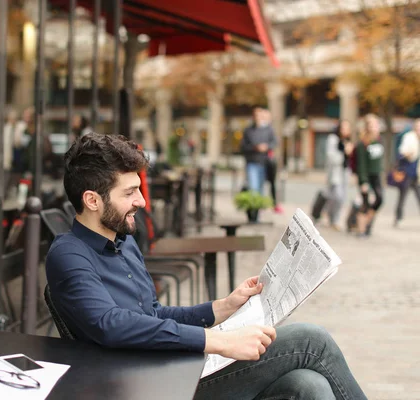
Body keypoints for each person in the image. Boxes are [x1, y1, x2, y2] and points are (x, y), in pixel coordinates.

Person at [46, 132, 367, 400]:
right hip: (138, 385)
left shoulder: (124, 241)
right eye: (130, 192)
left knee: (309, 387)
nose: (142, 201)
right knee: (312, 339)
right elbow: (110, 324)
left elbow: (153, 315)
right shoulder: (68, 254)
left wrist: (222, 308)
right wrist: (218, 341)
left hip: (168, 367)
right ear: (92, 200)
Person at [354, 114, 385, 236]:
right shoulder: (362, 143)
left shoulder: (379, 140)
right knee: (365, 203)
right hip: (366, 176)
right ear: (367, 127)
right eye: (371, 125)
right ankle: (361, 230)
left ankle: (367, 223)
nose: (374, 127)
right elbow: (361, 164)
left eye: (376, 124)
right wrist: (363, 181)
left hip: (376, 176)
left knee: (380, 199)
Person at [325, 120, 355, 231]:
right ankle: (331, 216)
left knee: (342, 197)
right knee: (336, 196)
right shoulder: (333, 139)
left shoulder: (348, 141)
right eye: (343, 128)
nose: (346, 130)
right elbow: (331, 157)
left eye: (348, 128)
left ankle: (335, 220)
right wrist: (344, 153)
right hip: (335, 173)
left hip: (344, 172)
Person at [241, 107, 276, 195]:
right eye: (256, 115)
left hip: (264, 162)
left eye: (260, 115)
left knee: (260, 188)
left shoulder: (268, 130)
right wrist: (255, 148)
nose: (258, 117)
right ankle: (253, 207)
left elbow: (274, 142)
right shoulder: (248, 130)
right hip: (252, 162)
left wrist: (266, 147)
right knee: (253, 187)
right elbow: (243, 146)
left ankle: (257, 207)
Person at [394, 118, 420, 227]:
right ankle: (398, 218)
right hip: (407, 172)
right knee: (402, 197)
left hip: (417, 174)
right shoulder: (409, 137)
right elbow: (402, 152)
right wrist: (409, 153)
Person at [262, 109, 283, 213]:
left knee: (272, 183)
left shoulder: (270, 130)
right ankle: (260, 204)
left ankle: (274, 203)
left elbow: (275, 142)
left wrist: (266, 147)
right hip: (258, 160)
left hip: (269, 161)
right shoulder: (255, 129)